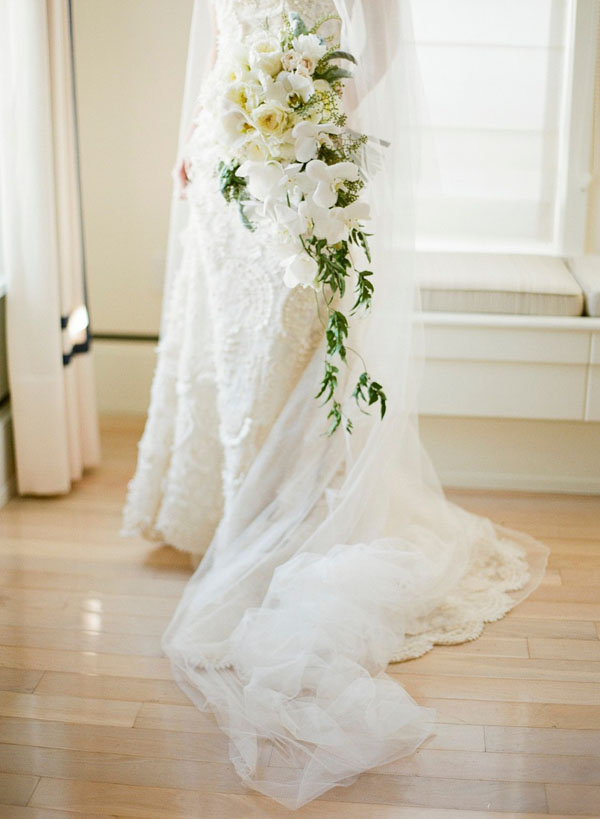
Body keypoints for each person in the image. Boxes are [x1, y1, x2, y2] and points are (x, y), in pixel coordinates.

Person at [121, 0, 549, 808]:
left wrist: (311, 128)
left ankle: (282, 530)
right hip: (226, 168)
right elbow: (222, 42)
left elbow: (380, 45)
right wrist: (196, 137)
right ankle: (224, 521)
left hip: (301, 166)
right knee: (228, 347)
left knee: (289, 353)